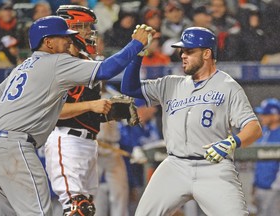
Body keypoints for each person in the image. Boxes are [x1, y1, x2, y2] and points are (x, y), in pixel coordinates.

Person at [0, 15, 154, 215]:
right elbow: (106, 69)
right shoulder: (56, 61)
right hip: (17, 146)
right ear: (48, 42)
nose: (69, 40)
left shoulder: (20, 68)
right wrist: (136, 43)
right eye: (63, 36)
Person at [121, 26, 262, 216]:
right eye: (182, 51)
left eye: (189, 51)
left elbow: (254, 128)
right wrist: (138, 53)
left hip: (213, 168)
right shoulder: (170, 84)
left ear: (206, 53)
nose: (183, 55)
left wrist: (232, 142)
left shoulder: (228, 87)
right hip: (175, 165)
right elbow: (129, 88)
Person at [43, 5, 111, 216]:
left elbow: (82, 106)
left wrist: (108, 110)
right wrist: (92, 105)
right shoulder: (58, 63)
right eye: (84, 27)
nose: (89, 33)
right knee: (77, 208)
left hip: (88, 143)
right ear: (70, 29)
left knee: (86, 208)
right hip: (66, 140)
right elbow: (56, 111)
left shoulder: (83, 61)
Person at [94, 83, 130, 216]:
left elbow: (128, 119)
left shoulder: (113, 94)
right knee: (91, 192)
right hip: (94, 147)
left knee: (120, 191)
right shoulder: (88, 93)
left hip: (112, 148)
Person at [252, 98, 280, 216]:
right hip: (260, 187)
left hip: (274, 190)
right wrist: (254, 185)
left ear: (275, 116)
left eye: (265, 114)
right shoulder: (263, 132)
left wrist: (275, 187)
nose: (261, 116)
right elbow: (258, 161)